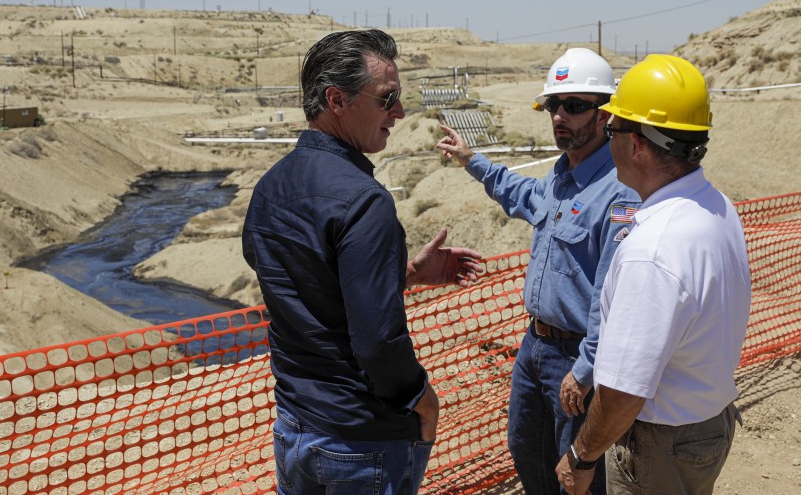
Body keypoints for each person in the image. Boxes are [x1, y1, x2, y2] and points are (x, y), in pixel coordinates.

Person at [242, 29, 483, 495]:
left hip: (294, 428)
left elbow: (309, 291)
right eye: (387, 98)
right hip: (360, 442)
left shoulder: (270, 186)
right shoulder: (363, 201)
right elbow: (375, 342)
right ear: (337, 99)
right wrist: (422, 400)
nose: (400, 112)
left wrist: (406, 274)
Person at [437, 48, 640, 494]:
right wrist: (473, 161)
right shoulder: (561, 175)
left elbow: (615, 296)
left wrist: (585, 371)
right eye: (553, 105)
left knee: (577, 474)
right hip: (534, 348)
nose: (559, 117)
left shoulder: (620, 193)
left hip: (574, 359)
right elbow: (524, 195)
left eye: (574, 106)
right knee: (527, 452)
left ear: (605, 114)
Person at [555, 55, 751, 495]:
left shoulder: (653, 249)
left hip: (662, 442)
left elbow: (624, 391)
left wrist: (580, 456)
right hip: (707, 424)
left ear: (638, 144)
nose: (609, 142)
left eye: (613, 131)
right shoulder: (715, 205)